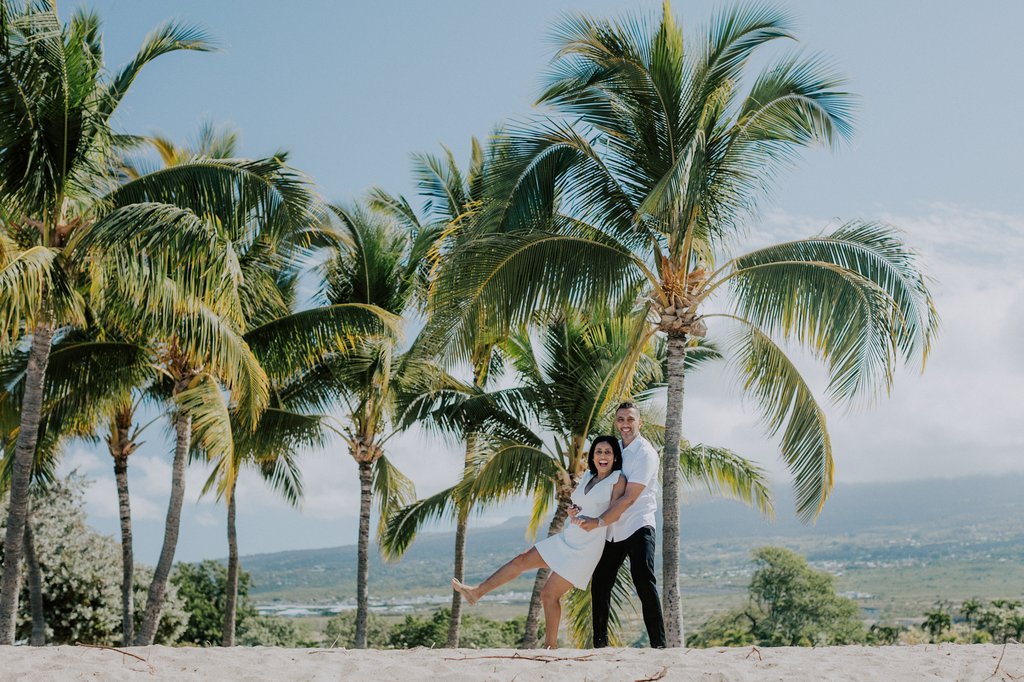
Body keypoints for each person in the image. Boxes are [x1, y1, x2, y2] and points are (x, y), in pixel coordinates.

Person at [452, 436, 626, 649]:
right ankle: (476, 592)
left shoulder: (617, 479)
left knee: (549, 594)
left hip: (586, 548)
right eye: (598, 452)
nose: (602, 456)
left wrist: (596, 522)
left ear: (615, 456)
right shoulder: (588, 476)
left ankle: (550, 647)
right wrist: (574, 512)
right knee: (521, 559)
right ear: (593, 456)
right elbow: (581, 506)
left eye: (608, 452)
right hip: (569, 536)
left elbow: (616, 511)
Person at [573, 402, 666, 648]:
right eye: (621, 419)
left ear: (639, 422)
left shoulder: (645, 453)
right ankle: (599, 645)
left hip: (638, 525)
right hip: (612, 530)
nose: (625, 424)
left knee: (644, 582)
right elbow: (603, 483)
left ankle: (659, 645)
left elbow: (630, 497)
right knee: (600, 583)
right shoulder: (616, 450)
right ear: (616, 422)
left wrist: (599, 521)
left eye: (630, 419)